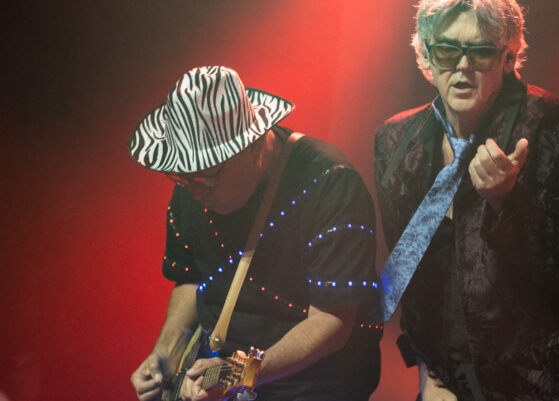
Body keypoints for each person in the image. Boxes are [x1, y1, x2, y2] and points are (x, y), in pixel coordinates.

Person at [374, 1, 559, 400]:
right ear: (425, 57)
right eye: (447, 51)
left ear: (508, 59)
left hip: (541, 385)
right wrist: (431, 375)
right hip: (445, 381)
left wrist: (507, 203)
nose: (462, 66)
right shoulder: (396, 141)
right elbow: (412, 279)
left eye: (480, 52)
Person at [129, 66, 382, 401]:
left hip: (312, 386)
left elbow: (332, 321)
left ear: (255, 145)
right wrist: (165, 354)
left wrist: (239, 374)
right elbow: (191, 277)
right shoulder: (192, 184)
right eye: (181, 177)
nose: (194, 190)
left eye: (208, 176)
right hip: (218, 376)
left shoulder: (331, 183)